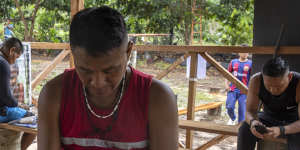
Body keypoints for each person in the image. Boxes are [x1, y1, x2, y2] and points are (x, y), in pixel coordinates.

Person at [38, 6, 178, 150]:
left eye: (110, 70)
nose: (98, 83)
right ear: (73, 54)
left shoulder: (157, 99)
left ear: (128, 51)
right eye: (85, 70)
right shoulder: (54, 95)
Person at [237, 57, 300, 150]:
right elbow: (249, 111)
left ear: (289, 77)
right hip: (269, 116)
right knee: (245, 129)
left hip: (293, 121)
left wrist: (282, 130)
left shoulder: (298, 83)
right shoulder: (256, 80)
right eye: (268, 86)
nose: (273, 90)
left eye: (278, 86)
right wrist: (253, 122)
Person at [0, 37, 36, 150]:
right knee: (34, 120)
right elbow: (6, 97)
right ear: (12, 51)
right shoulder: (3, 64)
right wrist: (19, 104)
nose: (15, 61)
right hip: (1, 112)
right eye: (17, 57)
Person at [225, 52, 252, 125]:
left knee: (242, 111)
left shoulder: (251, 63)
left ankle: (240, 128)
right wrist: (226, 85)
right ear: (239, 53)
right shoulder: (233, 62)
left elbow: (253, 78)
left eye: (247, 52)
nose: (245, 54)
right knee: (229, 106)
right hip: (233, 89)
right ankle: (233, 118)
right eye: (243, 52)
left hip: (244, 91)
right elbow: (227, 74)